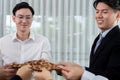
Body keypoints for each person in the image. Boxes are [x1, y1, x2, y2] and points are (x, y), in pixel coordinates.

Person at [57, 0, 120, 80]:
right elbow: (97, 69)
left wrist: (81, 74)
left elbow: (114, 76)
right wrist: (78, 68)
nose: (99, 16)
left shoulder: (118, 39)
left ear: (117, 15)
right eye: (97, 12)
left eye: (104, 12)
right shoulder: (99, 38)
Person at [0, 2, 51, 80]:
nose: (24, 21)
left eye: (28, 17)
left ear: (32, 19)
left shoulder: (43, 41)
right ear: (14, 19)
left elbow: (45, 65)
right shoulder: (2, 42)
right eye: (20, 17)